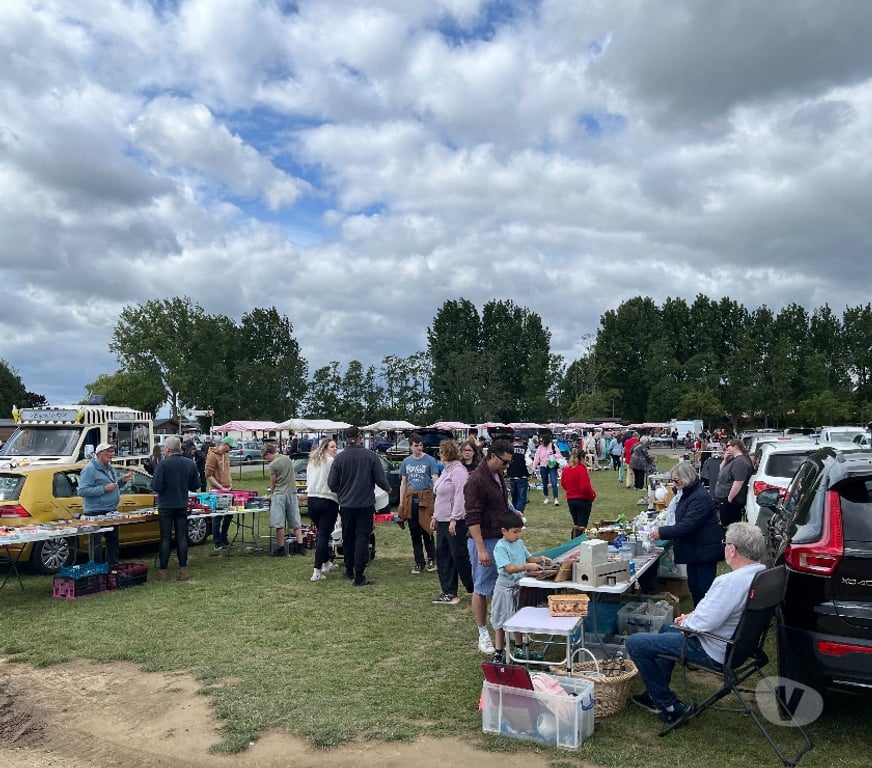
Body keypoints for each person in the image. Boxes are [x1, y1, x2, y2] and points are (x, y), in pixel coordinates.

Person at [627, 522, 766, 724]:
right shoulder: (761, 574)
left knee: (636, 643)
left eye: (725, 543)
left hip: (714, 650)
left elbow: (704, 624)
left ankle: (668, 705)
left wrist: (688, 621)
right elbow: (715, 614)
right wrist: (691, 617)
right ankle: (653, 694)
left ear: (732, 549)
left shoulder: (731, 582)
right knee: (667, 628)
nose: (724, 546)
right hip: (740, 646)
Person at [464, 438, 514, 654]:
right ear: (492, 456)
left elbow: (500, 504)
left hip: (500, 538)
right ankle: (483, 633)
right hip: (483, 540)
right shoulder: (475, 480)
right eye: (504, 462)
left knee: (504, 585)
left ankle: (504, 628)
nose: (507, 466)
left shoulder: (497, 474)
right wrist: (481, 548)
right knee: (482, 587)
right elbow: (472, 518)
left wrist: (512, 514)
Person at [649, 461, 723, 605]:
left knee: (704, 589)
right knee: (694, 586)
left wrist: (662, 532)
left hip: (704, 550)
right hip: (695, 549)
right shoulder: (688, 493)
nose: (674, 484)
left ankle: (706, 619)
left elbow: (687, 525)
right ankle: (698, 615)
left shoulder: (699, 497)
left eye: (676, 480)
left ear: (687, 477)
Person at [328, 426, 390, 587]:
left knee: (348, 537)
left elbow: (332, 484)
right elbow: (380, 480)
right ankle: (359, 575)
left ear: (346, 438)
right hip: (365, 504)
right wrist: (389, 490)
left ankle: (349, 570)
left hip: (347, 505)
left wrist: (342, 492)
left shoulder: (339, 459)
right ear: (360, 437)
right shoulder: (371, 456)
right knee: (362, 537)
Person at [491, 510, 552, 662]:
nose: (518, 535)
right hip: (504, 588)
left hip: (519, 586)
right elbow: (508, 568)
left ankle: (519, 649)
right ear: (504, 531)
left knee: (517, 618)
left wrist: (539, 559)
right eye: (515, 532)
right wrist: (527, 566)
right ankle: (498, 651)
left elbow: (529, 557)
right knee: (500, 620)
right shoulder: (500, 547)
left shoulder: (519, 543)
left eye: (520, 531)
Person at [429, 439, 473, 605]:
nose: (439, 455)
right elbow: (440, 496)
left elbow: (459, 497)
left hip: (454, 521)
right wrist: (434, 516)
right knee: (443, 556)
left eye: (440, 452)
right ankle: (448, 591)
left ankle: (475, 587)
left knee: (459, 556)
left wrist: (454, 519)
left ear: (447, 453)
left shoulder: (458, 471)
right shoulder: (446, 471)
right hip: (441, 520)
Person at [150, 436, 200, 581]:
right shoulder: (189, 463)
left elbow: (156, 486)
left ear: (167, 449)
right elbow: (195, 485)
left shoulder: (163, 465)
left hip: (166, 505)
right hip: (182, 504)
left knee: (165, 537)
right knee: (181, 537)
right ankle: (183, 569)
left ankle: (163, 571)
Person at [78, 442, 134, 564]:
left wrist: (122, 481)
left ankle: (112, 569)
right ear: (99, 453)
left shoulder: (110, 468)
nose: (111, 454)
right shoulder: (89, 469)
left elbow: (113, 486)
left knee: (113, 542)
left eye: (112, 451)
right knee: (96, 545)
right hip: (95, 512)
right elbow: (82, 490)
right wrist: (103, 489)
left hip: (111, 511)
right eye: (108, 452)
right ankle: (97, 571)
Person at [398, 433, 439, 574]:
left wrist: (437, 498)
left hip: (425, 499)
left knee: (427, 531)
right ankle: (419, 562)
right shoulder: (406, 462)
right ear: (410, 446)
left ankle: (432, 559)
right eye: (416, 445)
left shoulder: (430, 460)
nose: (419, 448)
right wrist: (401, 502)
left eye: (421, 445)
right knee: (414, 532)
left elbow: (435, 480)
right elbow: (403, 483)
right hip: (411, 500)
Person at [306, 437, 339, 581]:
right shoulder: (332, 462)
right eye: (332, 447)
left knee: (322, 534)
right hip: (327, 500)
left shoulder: (312, 462)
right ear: (325, 448)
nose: (335, 449)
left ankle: (326, 562)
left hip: (312, 500)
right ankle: (317, 570)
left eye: (336, 447)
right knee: (324, 536)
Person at [263, 443, 304, 557]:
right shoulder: (287, 459)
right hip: (292, 492)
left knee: (279, 522)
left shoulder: (273, 465)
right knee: (295, 520)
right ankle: (300, 545)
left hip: (279, 494)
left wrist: (270, 494)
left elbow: (273, 482)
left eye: (265, 457)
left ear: (268, 453)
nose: (266, 460)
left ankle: (281, 547)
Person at [714, 438, 755, 532]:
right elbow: (721, 471)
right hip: (724, 498)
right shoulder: (733, 459)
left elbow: (738, 482)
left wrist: (729, 499)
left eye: (728, 446)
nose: (726, 448)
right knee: (725, 525)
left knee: (730, 527)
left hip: (732, 500)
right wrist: (725, 459)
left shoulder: (740, 462)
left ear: (735, 447)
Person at [205, 436, 236, 550]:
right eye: (230, 447)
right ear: (225, 444)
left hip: (228, 489)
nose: (231, 450)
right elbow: (208, 475)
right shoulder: (212, 456)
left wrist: (228, 484)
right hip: (217, 491)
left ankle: (224, 538)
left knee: (229, 515)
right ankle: (217, 542)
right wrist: (220, 487)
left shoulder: (227, 455)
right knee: (218, 516)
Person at [560, 448, 597, 532]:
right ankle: (578, 543)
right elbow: (585, 487)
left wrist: (570, 490)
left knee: (576, 524)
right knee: (582, 526)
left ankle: (574, 540)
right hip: (582, 500)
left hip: (571, 500)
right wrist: (592, 494)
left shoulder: (566, 469)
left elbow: (563, 484)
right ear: (582, 459)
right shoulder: (581, 469)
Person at [531, 432, 561, 505]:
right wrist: (533, 467)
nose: (541, 442)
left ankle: (556, 499)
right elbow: (536, 458)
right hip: (543, 467)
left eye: (542, 441)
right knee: (545, 483)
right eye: (540, 441)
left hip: (552, 466)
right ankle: (546, 497)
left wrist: (553, 455)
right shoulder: (539, 448)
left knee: (554, 483)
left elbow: (559, 455)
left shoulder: (553, 446)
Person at [505, 435, 530, 516]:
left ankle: (514, 514)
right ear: (522, 440)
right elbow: (529, 463)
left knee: (514, 497)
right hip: (522, 475)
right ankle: (519, 514)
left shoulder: (509, 450)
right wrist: (530, 472)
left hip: (512, 476)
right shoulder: (525, 449)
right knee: (522, 498)